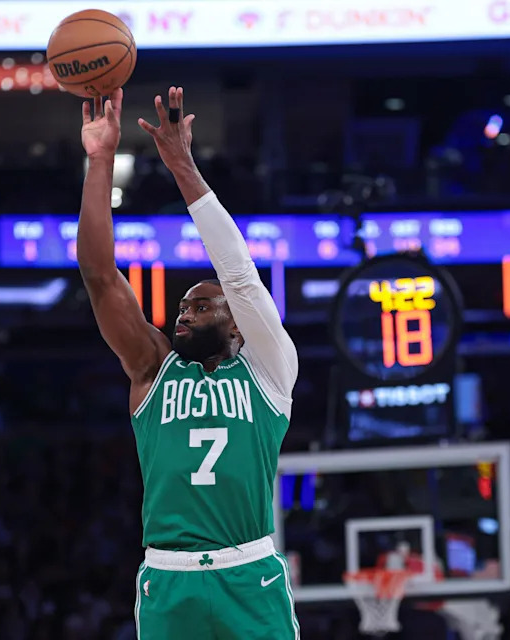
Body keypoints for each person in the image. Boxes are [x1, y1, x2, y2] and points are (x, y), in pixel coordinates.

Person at [78, 87, 300, 639]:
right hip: (168, 578)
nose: (184, 313)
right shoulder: (153, 369)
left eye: (201, 305)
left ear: (235, 324)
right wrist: (100, 161)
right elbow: (100, 275)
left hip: (249, 574)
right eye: (181, 306)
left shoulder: (269, 369)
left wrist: (182, 167)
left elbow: (240, 273)